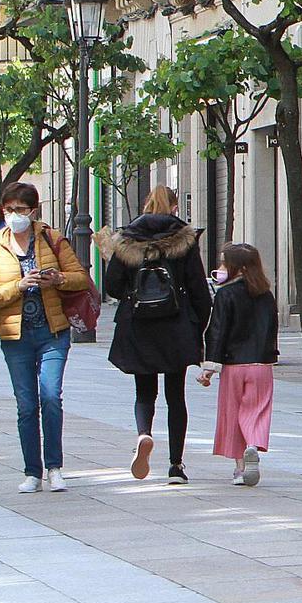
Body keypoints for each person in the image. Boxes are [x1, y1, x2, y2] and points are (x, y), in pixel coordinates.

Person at [0, 182, 89, 493]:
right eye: (10, 209)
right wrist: (18, 285)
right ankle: (32, 471)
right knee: (27, 405)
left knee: (51, 397)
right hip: (16, 336)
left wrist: (58, 279)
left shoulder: (50, 238)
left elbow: (80, 277)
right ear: (3, 210)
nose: (15, 215)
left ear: (33, 211)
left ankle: (54, 467)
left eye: (22, 210)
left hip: (52, 331)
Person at [106, 186, 211, 484]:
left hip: (140, 324)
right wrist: (198, 328)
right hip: (175, 324)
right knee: (175, 396)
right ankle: (176, 465)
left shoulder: (127, 238)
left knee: (144, 391)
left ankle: (144, 434)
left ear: (146, 204)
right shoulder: (185, 239)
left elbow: (113, 286)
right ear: (174, 207)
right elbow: (198, 290)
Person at [197, 243, 278, 486]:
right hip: (261, 364)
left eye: (224, 263)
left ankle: (241, 468)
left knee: (232, 415)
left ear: (237, 268)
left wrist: (210, 366)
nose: (220, 268)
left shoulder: (226, 294)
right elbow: (271, 329)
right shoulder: (266, 294)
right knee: (257, 410)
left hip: (233, 365)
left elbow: (217, 331)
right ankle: (252, 445)